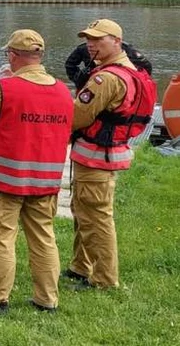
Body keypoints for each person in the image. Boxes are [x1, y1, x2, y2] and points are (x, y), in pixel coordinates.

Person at [0, 29, 74, 314]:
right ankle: (47, 299)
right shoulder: (62, 91)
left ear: (12, 55)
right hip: (45, 182)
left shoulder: (5, 87)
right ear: (39, 56)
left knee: (0, 240)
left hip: (4, 181)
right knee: (44, 239)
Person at [65, 19, 157, 291]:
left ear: (117, 41)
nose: (91, 44)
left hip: (96, 154)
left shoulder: (106, 78)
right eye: (88, 40)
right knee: (83, 210)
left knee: (96, 217)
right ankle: (80, 266)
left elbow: (78, 116)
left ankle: (104, 278)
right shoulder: (126, 70)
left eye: (98, 39)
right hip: (103, 152)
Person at [64, 41, 152, 89]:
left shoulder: (125, 49)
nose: (91, 46)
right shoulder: (84, 48)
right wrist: (79, 80)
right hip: (91, 84)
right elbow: (70, 64)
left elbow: (146, 66)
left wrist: (132, 83)